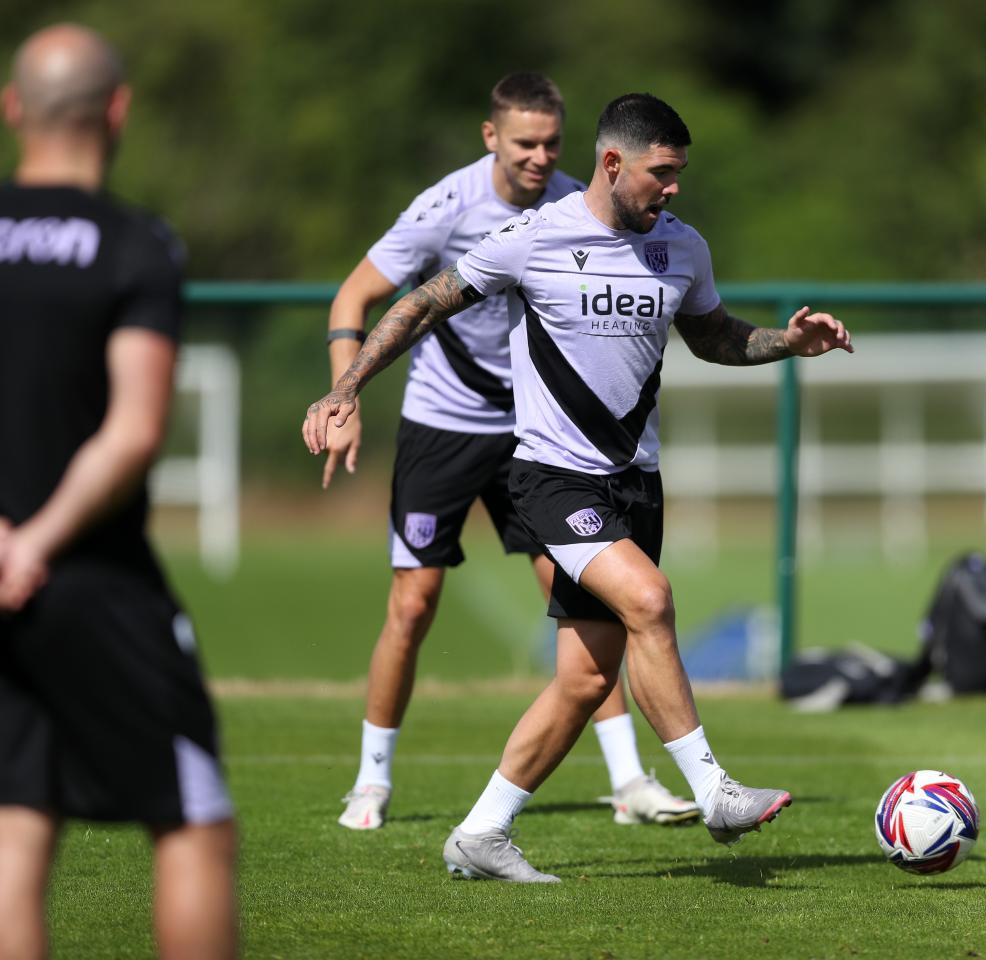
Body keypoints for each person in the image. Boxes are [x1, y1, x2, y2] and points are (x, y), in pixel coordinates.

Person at [304, 92, 852, 881]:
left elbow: (715, 337)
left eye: (679, 175)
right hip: (553, 479)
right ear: (611, 163)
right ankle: (714, 790)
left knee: (585, 677)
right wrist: (347, 384)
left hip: (636, 483)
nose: (673, 189)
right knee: (652, 601)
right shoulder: (533, 237)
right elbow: (423, 300)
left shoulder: (684, 247)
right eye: (661, 173)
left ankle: (481, 834)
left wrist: (787, 344)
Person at [324, 73, 697, 831]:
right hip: (445, 424)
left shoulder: (584, 203)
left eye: (552, 143)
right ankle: (371, 780)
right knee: (414, 602)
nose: (539, 157)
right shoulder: (448, 207)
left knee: (594, 601)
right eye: (524, 143)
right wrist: (345, 394)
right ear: (490, 136)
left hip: (544, 437)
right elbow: (356, 296)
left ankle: (628, 780)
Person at [0, 23, 236, 959]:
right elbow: (134, 430)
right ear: (119, 110)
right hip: (92, 579)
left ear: (13, 109)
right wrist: (39, 543)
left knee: (17, 821)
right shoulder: (135, 245)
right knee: (192, 819)